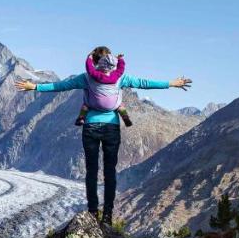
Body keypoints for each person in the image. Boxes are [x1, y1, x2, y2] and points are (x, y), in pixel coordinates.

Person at [17, 62, 191, 220]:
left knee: (91, 171)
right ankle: (107, 214)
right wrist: (172, 83)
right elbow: (145, 83)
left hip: (91, 127)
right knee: (110, 172)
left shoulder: (86, 77)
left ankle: (93, 211)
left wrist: (34, 87)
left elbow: (60, 86)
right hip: (111, 128)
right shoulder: (120, 77)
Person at [76, 47, 125, 126]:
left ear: (99, 65)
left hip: (91, 121)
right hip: (112, 117)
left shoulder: (96, 75)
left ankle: (81, 118)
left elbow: (90, 69)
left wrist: (89, 58)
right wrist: (120, 59)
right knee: (120, 105)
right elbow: (121, 69)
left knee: (85, 105)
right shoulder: (116, 76)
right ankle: (125, 116)